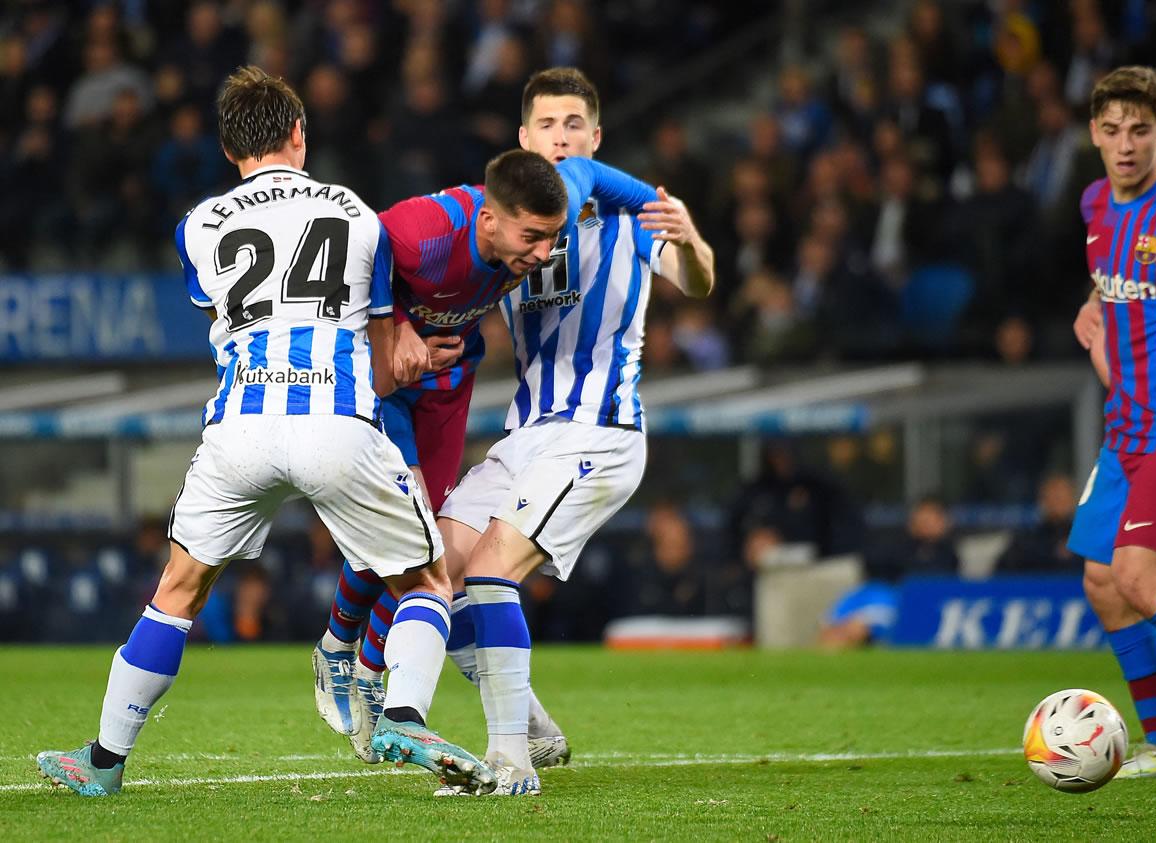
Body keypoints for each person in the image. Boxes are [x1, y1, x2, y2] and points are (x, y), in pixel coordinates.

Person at [35, 66, 497, 798]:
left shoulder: (198, 227)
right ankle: (402, 714)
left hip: (239, 429)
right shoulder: (356, 214)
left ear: (228, 150)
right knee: (427, 577)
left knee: (177, 590)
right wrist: (415, 357)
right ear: (299, 134)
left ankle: (101, 760)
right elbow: (383, 358)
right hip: (334, 423)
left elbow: (230, 312)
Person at [310, 141, 688, 769]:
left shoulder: (545, 209)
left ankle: (373, 667)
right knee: (405, 524)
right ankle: (340, 646)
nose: (544, 254)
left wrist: (662, 209)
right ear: (489, 220)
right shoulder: (433, 229)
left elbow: (590, 174)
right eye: (534, 239)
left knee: (426, 536)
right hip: (390, 377)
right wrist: (391, 325)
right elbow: (365, 243)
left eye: (552, 238)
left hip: (449, 379)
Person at [433, 66, 715, 796]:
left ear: (595, 138)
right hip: (525, 432)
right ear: (524, 140)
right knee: (432, 570)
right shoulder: (501, 226)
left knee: (492, 572)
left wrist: (689, 239)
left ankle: (508, 763)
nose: (561, 137)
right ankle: (530, 727)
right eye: (546, 126)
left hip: (599, 430)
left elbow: (698, 280)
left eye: (574, 126)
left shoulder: (627, 216)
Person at [1065, 65, 1156, 779]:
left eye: (1141, 131)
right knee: (1101, 581)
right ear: (1094, 133)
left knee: (1141, 578)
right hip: (1127, 430)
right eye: (1112, 130)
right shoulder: (1096, 205)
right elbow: (1114, 281)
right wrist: (1095, 308)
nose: (1126, 145)